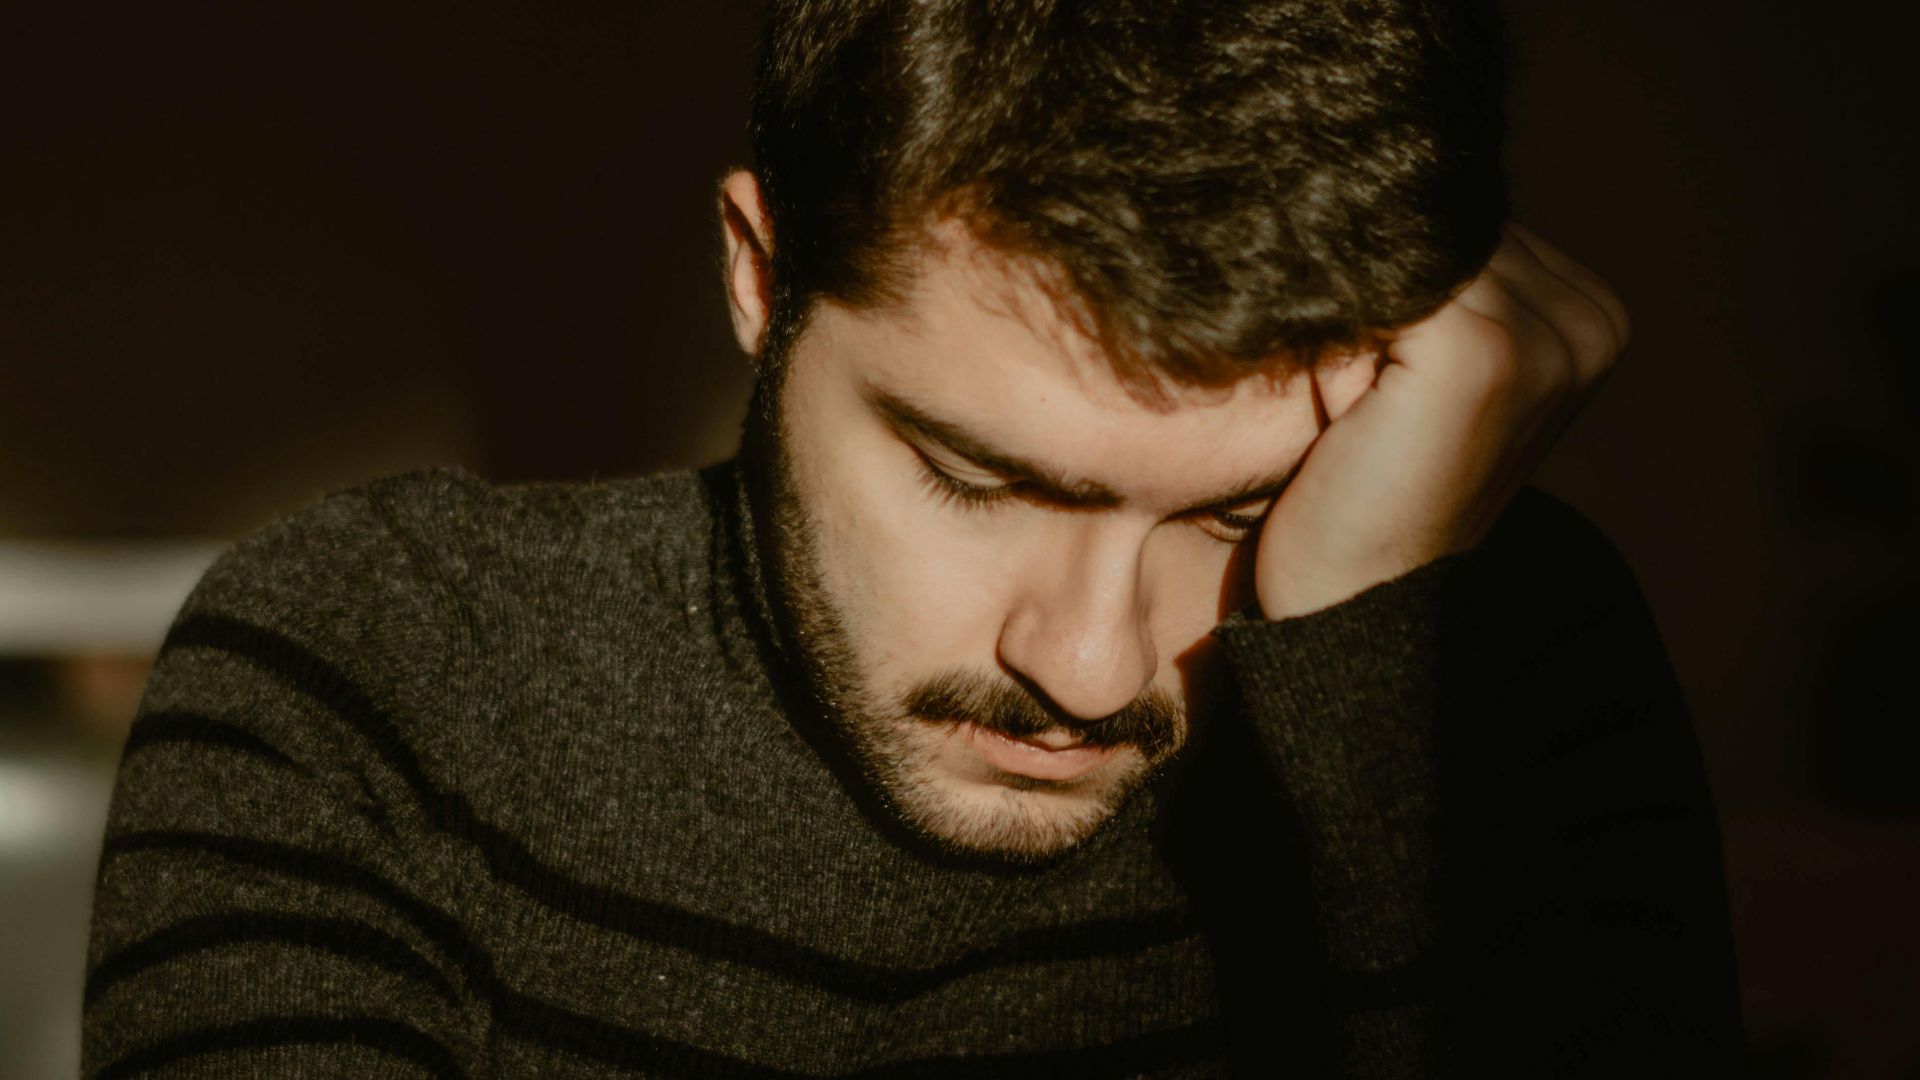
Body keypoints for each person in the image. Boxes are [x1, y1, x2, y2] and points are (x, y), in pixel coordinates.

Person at [83, 0, 1747, 1075]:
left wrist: (1387, 665)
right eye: (978, 476)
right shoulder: (378, 665)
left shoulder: (1490, 661)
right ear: (762, 272)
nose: (1090, 668)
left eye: (1242, 514)